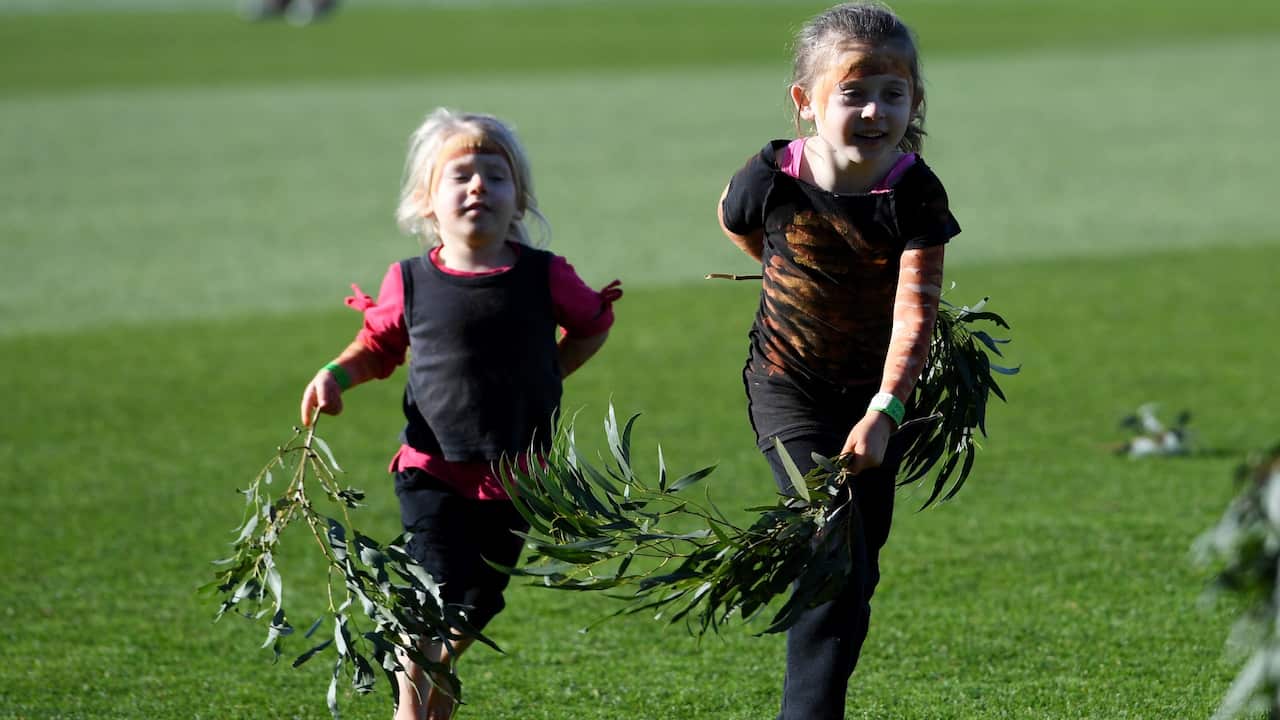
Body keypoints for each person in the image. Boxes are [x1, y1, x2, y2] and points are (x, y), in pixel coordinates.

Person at [300, 108, 620, 720]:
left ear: (519, 199)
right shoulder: (411, 280)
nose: (479, 187)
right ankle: (408, 713)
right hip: (431, 470)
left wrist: (551, 371)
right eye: (461, 175)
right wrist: (335, 376)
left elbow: (593, 323)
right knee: (434, 601)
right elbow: (377, 346)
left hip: (517, 476)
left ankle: (426, 700)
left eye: (496, 177)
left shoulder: (544, 276)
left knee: (474, 609)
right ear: (427, 201)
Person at [716, 3, 960, 718]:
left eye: (893, 93)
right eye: (852, 93)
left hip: (878, 395)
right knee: (829, 548)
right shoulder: (773, 176)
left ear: (915, 99)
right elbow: (734, 219)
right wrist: (783, 275)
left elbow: (916, 313)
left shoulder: (915, 191)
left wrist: (886, 410)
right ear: (807, 102)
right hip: (787, 385)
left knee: (857, 569)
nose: (874, 110)